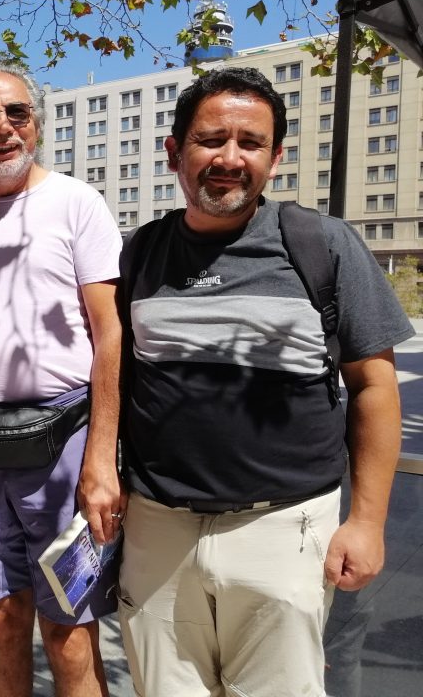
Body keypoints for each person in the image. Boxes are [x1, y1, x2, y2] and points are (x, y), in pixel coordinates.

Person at [113, 66, 414, 697]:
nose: (230, 158)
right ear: (175, 151)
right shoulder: (141, 252)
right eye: (211, 139)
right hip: (157, 530)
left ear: (275, 158)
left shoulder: (321, 244)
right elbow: (118, 372)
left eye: (250, 143)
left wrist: (366, 521)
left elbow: (375, 386)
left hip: (285, 530)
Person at [0, 59, 123, 697]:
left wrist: (101, 459)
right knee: (2, 617)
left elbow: (110, 333)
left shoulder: (77, 203)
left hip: (65, 440)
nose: (3, 127)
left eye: (17, 112)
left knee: (69, 625)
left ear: (37, 123)